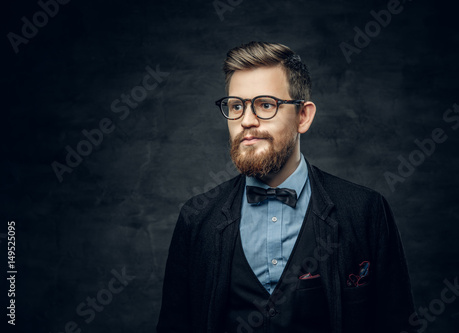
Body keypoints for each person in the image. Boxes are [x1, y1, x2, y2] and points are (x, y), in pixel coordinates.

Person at [157, 41, 418, 333]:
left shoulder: (365, 210)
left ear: (303, 116)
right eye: (236, 106)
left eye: (265, 105)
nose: (246, 121)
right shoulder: (196, 218)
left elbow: (398, 324)